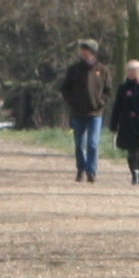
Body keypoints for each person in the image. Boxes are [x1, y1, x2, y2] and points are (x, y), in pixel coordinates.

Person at [56, 40, 112, 181]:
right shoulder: (74, 70)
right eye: (82, 50)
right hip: (78, 112)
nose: (83, 53)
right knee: (79, 144)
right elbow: (65, 89)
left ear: (93, 52)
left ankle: (91, 171)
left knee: (93, 143)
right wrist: (72, 102)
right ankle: (81, 168)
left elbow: (108, 91)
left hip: (95, 113)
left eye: (86, 50)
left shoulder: (103, 70)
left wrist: (101, 102)